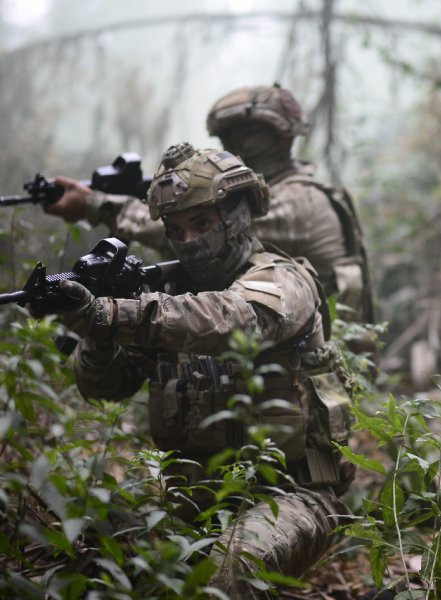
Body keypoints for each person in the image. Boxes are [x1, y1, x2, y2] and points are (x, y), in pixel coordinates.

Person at [31, 143, 354, 595]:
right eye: (176, 230)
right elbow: (105, 387)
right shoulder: (167, 295)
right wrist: (95, 331)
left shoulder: (284, 278)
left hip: (292, 498)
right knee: (97, 556)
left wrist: (114, 314)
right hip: (192, 506)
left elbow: (235, 319)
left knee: (228, 573)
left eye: (202, 224)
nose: (189, 242)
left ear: (238, 217)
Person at [44, 83, 374, 324]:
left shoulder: (301, 199)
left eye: (248, 132)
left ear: (282, 134)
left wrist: (98, 205)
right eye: (228, 134)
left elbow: (205, 236)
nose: (235, 143)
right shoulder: (288, 188)